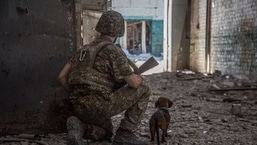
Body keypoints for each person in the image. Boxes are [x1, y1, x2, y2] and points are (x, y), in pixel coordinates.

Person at [57, 10, 151, 145]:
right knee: (144, 89)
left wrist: (77, 95)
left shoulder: (82, 50)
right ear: (119, 31)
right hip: (100, 106)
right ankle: (125, 134)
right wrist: (139, 77)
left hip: (78, 106)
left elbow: (61, 77)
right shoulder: (113, 50)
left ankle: (81, 125)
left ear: (100, 28)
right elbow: (134, 83)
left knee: (107, 133)